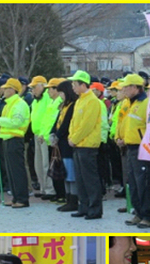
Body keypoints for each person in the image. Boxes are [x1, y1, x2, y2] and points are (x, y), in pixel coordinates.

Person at [116, 74, 150, 229]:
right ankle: (139, 213)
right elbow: (122, 123)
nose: (124, 90)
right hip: (130, 147)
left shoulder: (147, 103)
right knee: (133, 183)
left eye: (126, 87)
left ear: (135, 87)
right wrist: (119, 137)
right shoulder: (128, 103)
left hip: (143, 149)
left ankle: (149, 216)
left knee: (145, 184)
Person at [68, 70, 103, 220]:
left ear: (83, 84)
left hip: (87, 145)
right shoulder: (80, 100)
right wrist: (72, 137)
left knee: (90, 179)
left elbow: (87, 125)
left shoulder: (92, 101)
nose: (73, 87)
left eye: (75, 84)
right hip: (78, 144)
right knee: (81, 179)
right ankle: (84, 206)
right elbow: (74, 122)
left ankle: (95, 209)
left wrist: (74, 138)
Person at [0, 78, 31, 208]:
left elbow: (16, 122)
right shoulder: (10, 103)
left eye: (6, 88)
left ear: (12, 90)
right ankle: (16, 197)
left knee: (17, 170)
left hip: (15, 139)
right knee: (11, 171)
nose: (3, 90)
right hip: (7, 139)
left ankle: (22, 198)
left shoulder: (19, 104)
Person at [51, 80, 79, 212]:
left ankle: (73, 199)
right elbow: (57, 122)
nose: (60, 95)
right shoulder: (63, 106)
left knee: (70, 173)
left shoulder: (73, 105)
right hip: (61, 144)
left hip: (68, 143)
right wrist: (52, 133)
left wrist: (58, 135)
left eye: (61, 92)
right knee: (65, 172)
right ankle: (68, 198)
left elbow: (66, 123)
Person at [29, 75, 55, 199]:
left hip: (44, 135)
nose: (33, 90)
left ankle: (50, 189)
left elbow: (48, 118)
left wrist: (44, 134)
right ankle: (43, 187)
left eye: (34, 87)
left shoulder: (47, 99)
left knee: (46, 163)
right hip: (37, 134)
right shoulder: (35, 101)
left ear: (42, 86)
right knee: (37, 164)